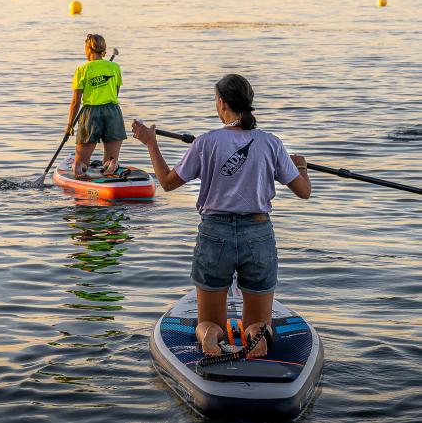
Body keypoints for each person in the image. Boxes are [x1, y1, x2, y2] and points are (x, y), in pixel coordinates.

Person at [132, 73, 311, 358]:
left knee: (208, 322)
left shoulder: (206, 142)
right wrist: (300, 166)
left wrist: (151, 143)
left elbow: (166, 182)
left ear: (221, 103)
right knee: (257, 322)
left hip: (215, 234)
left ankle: (211, 338)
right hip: (258, 233)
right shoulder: (271, 143)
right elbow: (303, 192)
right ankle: (257, 337)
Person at [66, 33, 126, 178]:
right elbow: (115, 93)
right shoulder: (114, 67)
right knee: (110, 159)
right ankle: (111, 164)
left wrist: (69, 125)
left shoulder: (82, 70)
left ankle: (80, 169)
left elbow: (76, 102)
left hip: (91, 113)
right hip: (113, 112)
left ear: (88, 49)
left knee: (80, 164)